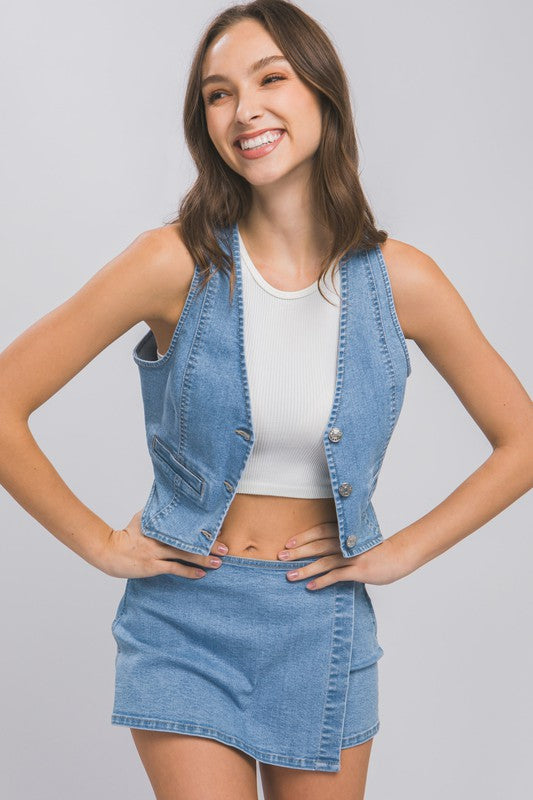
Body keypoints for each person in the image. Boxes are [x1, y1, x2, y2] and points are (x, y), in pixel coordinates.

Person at [1, 1, 532, 798]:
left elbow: (520, 440)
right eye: (217, 93)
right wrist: (98, 544)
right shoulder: (171, 263)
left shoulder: (401, 281)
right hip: (183, 617)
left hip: (319, 620)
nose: (243, 109)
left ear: (322, 94)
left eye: (269, 79)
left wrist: (400, 550)